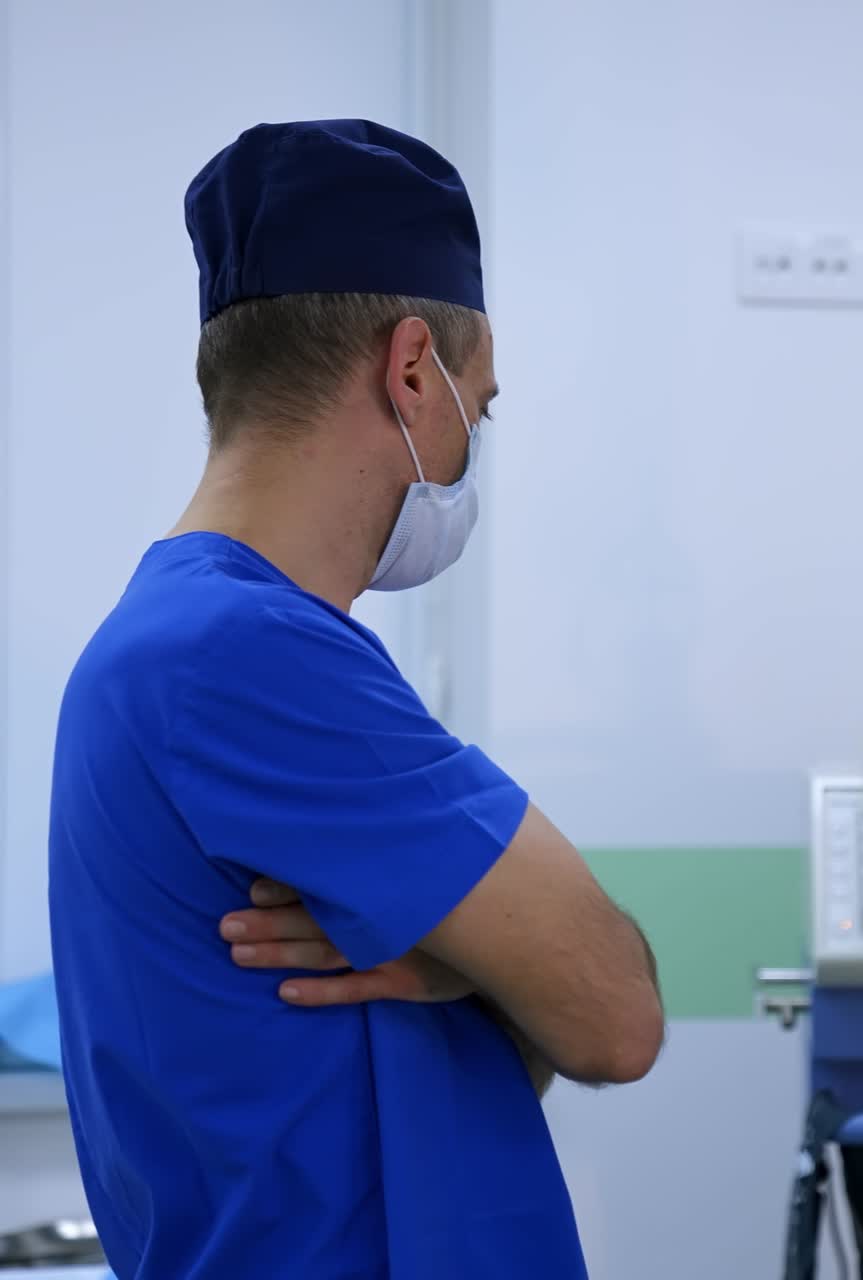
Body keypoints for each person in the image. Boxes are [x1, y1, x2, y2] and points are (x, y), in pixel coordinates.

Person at [47, 118, 664, 1280]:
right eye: (478, 407)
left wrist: (451, 960)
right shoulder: (245, 652)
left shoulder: (173, 633)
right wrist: (494, 962)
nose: (473, 440)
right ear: (412, 367)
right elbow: (613, 1012)